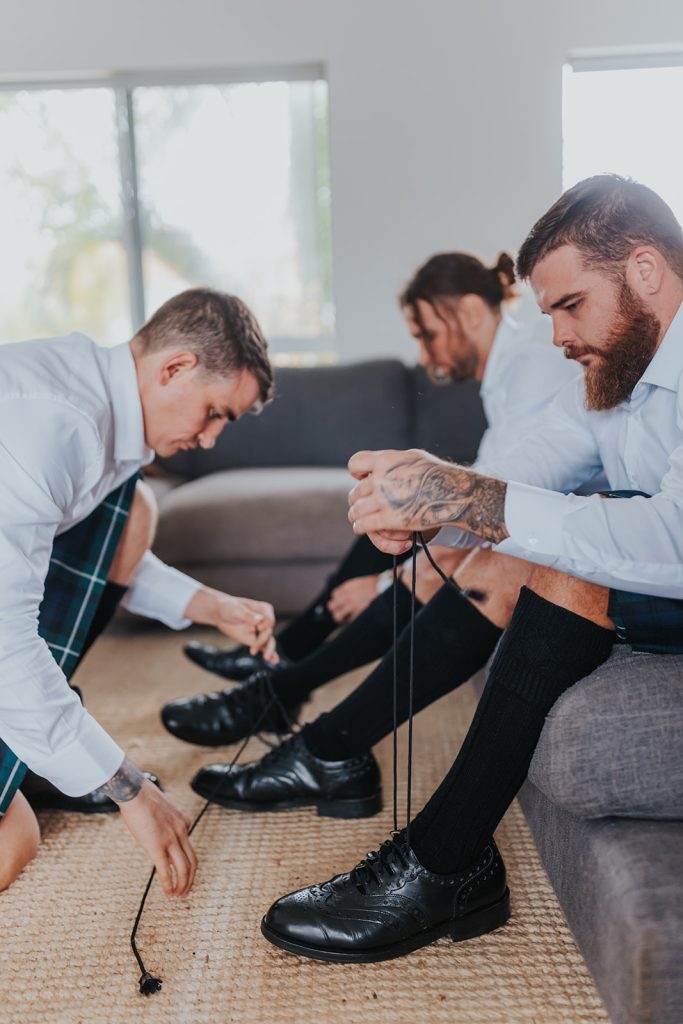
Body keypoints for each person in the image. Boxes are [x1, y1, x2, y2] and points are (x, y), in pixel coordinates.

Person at [252, 174, 683, 963]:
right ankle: (379, 797)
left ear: (645, 271)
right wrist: (436, 493)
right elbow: (542, 452)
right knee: (510, 548)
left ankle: (442, 861)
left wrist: (470, 501)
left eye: (568, 305)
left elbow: (674, 536)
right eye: (547, 312)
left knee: (556, 565)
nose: (555, 336)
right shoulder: (616, 368)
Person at [163, 251, 578, 752]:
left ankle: (279, 683)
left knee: (417, 543)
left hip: (543, 523)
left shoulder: (531, 364)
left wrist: (385, 581)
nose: (424, 358)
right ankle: (283, 664)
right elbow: (492, 489)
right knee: (394, 506)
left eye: (427, 334)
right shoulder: (506, 375)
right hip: (517, 512)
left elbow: (504, 500)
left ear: (470, 312)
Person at [0, 287, 277, 895]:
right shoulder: (53, 425)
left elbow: (90, 559)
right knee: (13, 841)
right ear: (174, 367)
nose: (210, 439)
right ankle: (35, 744)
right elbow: (4, 641)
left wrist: (214, 607)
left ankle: (34, 746)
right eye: (215, 413)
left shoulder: (104, 415)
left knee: (133, 510)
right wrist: (125, 785)